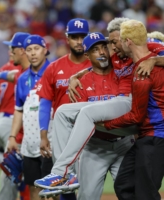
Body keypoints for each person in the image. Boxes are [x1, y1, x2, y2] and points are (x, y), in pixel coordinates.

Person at [34, 17, 164, 192]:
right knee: (62, 112)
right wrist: (76, 75)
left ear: (127, 40)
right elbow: (96, 63)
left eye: (114, 41)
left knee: (87, 113)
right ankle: (66, 174)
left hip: (132, 105)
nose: (112, 46)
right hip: (120, 109)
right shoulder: (117, 55)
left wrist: (155, 60)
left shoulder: (148, 47)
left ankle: (61, 172)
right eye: (110, 42)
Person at [102, 19, 164, 200]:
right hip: (146, 136)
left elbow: (136, 116)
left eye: (119, 41)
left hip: (156, 136)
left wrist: (105, 124)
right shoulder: (145, 64)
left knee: (146, 194)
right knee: (124, 185)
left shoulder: (143, 72)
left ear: (128, 41)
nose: (116, 46)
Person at [72, 33, 134, 200]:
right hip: (94, 148)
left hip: (124, 146)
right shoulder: (81, 83)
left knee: (132, 193)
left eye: (103, 47)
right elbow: (81, 120)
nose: (101, 53)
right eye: (95, 50)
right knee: (87, 197)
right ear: (87, 55)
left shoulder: (123, 73)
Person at [36, 18, 91, 199]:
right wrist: (44, 133)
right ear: (67, 39)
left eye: (83, 37)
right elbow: (45, 102)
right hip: (63, 134)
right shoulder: (54, 68)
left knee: (87, 184)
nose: (79, 41)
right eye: (74, 37)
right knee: (64, 183)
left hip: (90, 133)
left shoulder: (95, 65)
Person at [0, 32, 31, 200]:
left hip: (1, 119)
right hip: (14, 122)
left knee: (13, 165)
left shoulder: (0, 71)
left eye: (12, 47)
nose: (10, 50)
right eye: (10, 48)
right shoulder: (25, 70)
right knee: (15, 165)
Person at [14, 34, 53, 200]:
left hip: (51, 142)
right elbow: (19, 109)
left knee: (54, 188)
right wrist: (11, 136)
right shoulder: (22, 79)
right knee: (33, 186)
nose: (33, 53)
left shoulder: (53, 72)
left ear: (45, 50)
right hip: (29, 143)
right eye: (29, 50)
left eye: (36, 48)